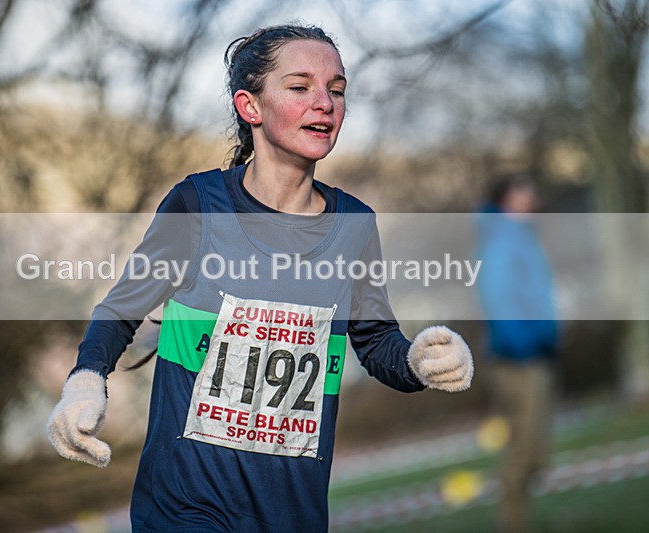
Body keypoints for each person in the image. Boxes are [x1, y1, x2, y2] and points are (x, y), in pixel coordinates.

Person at [47, 24, 473, 532]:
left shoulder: (354, 225)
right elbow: (123, 306)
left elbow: (375, 340)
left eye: (336, 90)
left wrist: (418, 361)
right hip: (184, 507)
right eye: (300, 87)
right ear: (251, 106)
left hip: (292, 514)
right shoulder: (198, 205)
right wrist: (86, 380)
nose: (325, 103)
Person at [475, 173, 558, 533]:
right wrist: (523, 346)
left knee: (536, 455)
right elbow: (500, 299)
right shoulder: (501, 240)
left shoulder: (521, 237)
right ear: (507, 198)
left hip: (535, 355)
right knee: (524, 453)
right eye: (525, 189)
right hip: (518, 360)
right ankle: (512, 526)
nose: (533, 196)